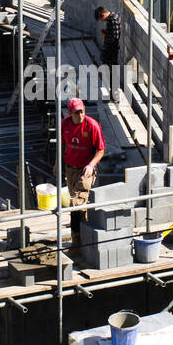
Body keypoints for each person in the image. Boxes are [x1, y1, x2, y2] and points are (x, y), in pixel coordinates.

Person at [60, 97, 105, 251]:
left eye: (82, 112)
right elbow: (62, 145)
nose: (80, 115)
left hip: (85, 171)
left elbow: (100, 150)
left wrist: (91, 165)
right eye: (76, 113)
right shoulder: (64, 124)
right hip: (70, 169)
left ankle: (76, 243)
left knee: (76, 204)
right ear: (69, 113)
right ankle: (82, 240)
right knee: (80, 207)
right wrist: (56, 163)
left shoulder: (92, 125)